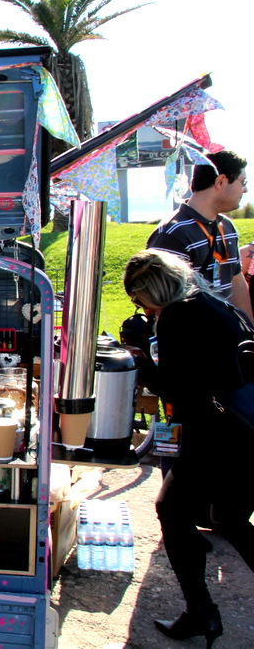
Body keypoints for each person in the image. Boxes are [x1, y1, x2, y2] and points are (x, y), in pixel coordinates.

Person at [123, 250, 254, 647]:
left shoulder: (178, 316)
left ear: (150, 291)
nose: (142, 309)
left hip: (221, 434)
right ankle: (200, 612)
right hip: (245, 428)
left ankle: (201, 612)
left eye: (139, 300)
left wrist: (140, 358)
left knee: (172, 509)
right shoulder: (213, 302)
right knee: (229, 518)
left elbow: (177, 390)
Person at [147, 149, 253, 322]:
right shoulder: (172, 233)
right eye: (243, 182)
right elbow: (159, 302)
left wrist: (249, 331)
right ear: (220, 181)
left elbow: (237, 283)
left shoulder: (227, 227)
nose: (245, 189)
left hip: (228, 336)